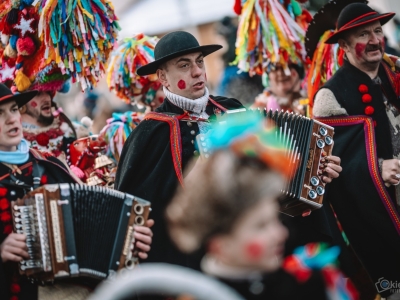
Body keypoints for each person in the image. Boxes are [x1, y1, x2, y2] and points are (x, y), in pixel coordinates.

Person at [166, 115, 358, 300]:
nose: (282, 233)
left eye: (275, 220)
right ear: (219, 245)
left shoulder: (309, 283)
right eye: (260, 226)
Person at [0, 84, 153, 300]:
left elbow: (97, 223)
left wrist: (129, 239)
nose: (11, 119)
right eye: (0, 113)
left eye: (14, 109)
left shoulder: (47, 164)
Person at [115, 31, 244, 268]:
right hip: (191, 262)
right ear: (163, 77)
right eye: (184, 65)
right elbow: (136, 218)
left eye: (199, 62)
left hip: (245, 248)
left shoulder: (232, 110)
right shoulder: (149, 134)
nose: (196, 71)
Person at [312, 3, 400, 299]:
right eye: (364, 34)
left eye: (377, 30)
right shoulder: (329, 97)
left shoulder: (396, 71)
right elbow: (330, 172)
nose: (375, 40)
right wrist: (376, 167)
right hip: (380, 219)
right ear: (345, 46)